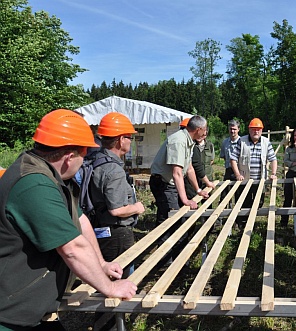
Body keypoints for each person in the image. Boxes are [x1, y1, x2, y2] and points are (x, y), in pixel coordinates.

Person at [0, 109, 136, 330]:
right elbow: (72, 247)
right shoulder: (34, 185)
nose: (83, 164)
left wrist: (101, 264)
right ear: (69, 157)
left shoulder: (52, 178)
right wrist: (110, 288)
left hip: (36, 309)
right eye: (83, 156)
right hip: (13, 315)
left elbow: (81, 221)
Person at [89, 112, 145, 278]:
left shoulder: (97, 159)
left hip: (101, 228)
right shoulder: (114, 170)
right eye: (129, 137)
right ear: (121, 140)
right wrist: (137, 208)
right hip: (117, 233)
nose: (130, 141)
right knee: (123, 277)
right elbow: (117, 210)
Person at [149, 115, 209, 255]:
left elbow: (189, 169)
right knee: (170, 219)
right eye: (205, 129)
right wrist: (185, 200)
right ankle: (165, 258)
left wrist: (198, 190)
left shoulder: (189, 141)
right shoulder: (179, 141)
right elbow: (176, 173)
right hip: (162, 183)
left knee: (177, 218)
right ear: (199, 129)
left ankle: (176, 254)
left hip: (169, 183)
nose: (205, 132)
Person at [230, 118, 278, 229]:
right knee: (244, 201)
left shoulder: (266, 142)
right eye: (253, 129)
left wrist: (274, 173)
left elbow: (273, 159)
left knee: (259, 202)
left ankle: (250, 220)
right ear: (249, 130)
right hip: (245, 180)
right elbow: (233, 159)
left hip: (260, 180)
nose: (256, 131)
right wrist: (237, 174)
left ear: (261, 130)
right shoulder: (241, 141)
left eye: (258, 129)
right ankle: (242, 223)